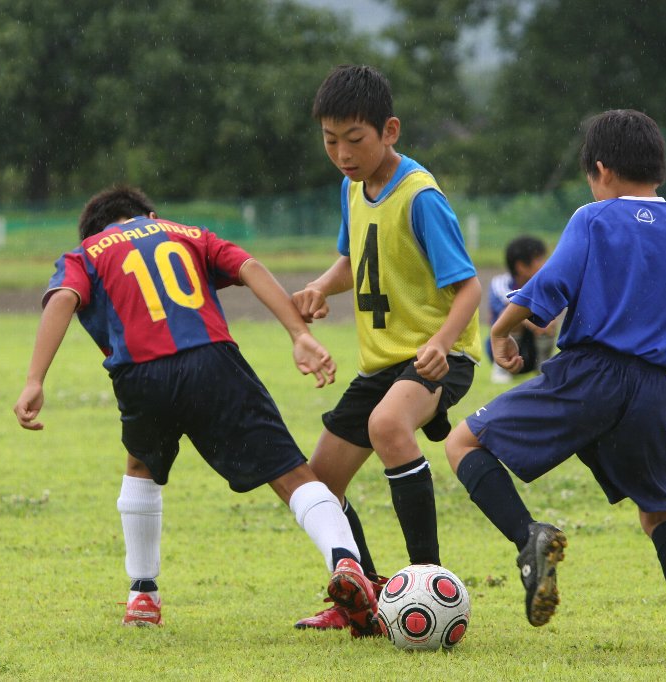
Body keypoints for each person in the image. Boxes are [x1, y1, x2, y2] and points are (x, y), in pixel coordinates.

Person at [445, 109, 666, 651]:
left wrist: (501, 329)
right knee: (660, 510)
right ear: (659, 167)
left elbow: (549, 285)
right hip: (653, 390)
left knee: (462, 442)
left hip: (588, 376)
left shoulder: (593, 219)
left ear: (600, 170)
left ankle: (529, 539)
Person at [13, 185, 379, 633]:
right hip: (213, 360)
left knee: (141, 467)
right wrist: (298, 334)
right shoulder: (188, 233)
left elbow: (63, 299)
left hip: (141, 373)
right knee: (290, 472)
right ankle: (345, 561)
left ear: (94, 231)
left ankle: (142, 594)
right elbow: (249, 267)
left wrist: (35, 380)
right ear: (150, 215)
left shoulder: (87, 252)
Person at [291, 65, 482, 635]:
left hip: (440, 357)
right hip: (382, 363)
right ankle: (366, 597)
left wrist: (441, 343)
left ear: (389, 131)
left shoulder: (420, 197)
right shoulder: (352, 188)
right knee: (319, 484)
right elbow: (356, 258)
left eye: (355, 139)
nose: (342, 154)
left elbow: (470, 287)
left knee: (387, 425)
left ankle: (430, 584)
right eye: (331, 141)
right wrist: (321, 286)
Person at [487, 236, 556, 383]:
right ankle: (502, 369)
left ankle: (543, 368)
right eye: (540, 259)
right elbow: (510, 308)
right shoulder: (500, 283)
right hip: (501, 348)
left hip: (534, 349)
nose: (546, 263)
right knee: (513, 316)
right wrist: (535, 325)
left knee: (550, 319)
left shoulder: (544, 285)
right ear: (521, 266)